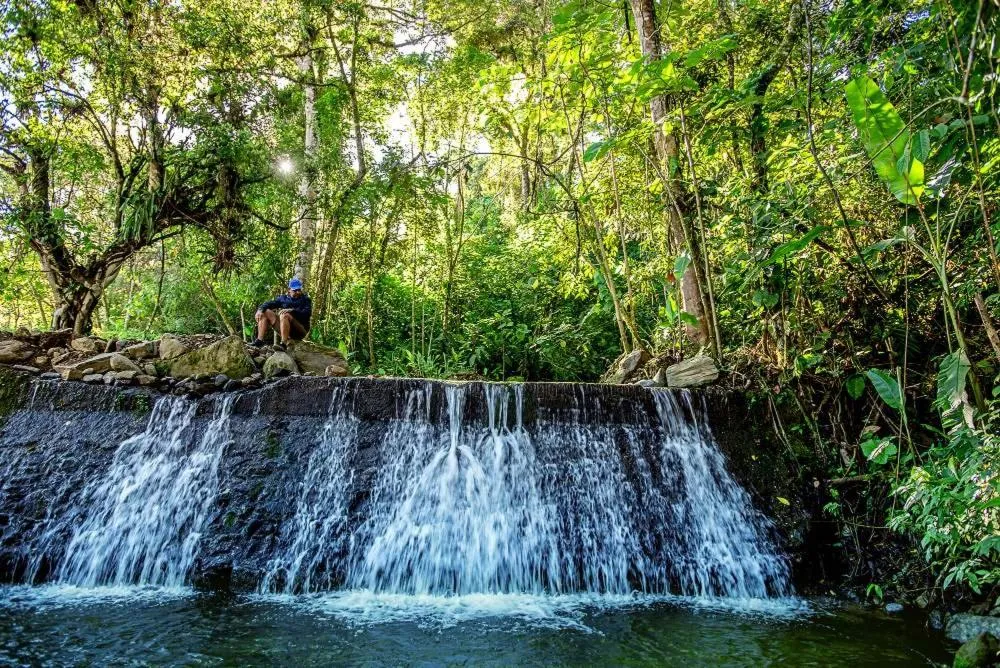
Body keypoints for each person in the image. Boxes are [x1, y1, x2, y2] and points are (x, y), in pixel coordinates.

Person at [252, 277, 312, 349]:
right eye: (295, 290)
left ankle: (283, 343)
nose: (297, 292)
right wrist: (260, 310)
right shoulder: (283, 299)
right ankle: (259, 341)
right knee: (265, 311)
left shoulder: (305, 299)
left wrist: (292, 311)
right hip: (286, 329)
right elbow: (269, 303)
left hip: (300, 330)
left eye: (299, 290)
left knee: (284, 315)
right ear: (289, 290)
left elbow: (307, 314)